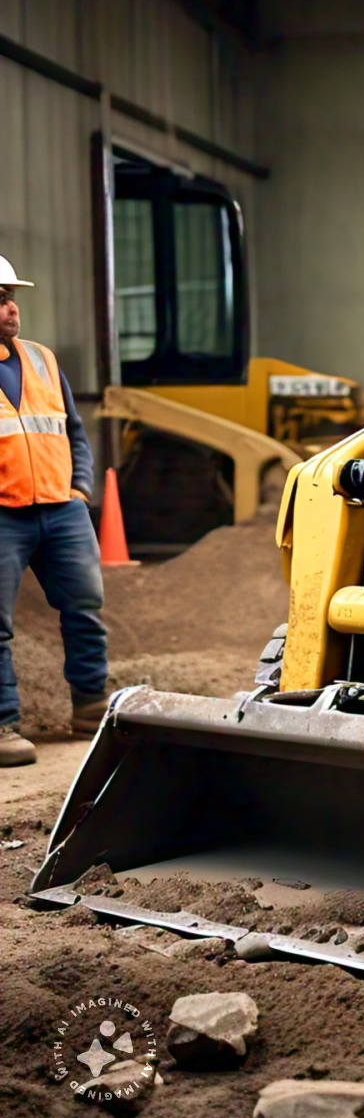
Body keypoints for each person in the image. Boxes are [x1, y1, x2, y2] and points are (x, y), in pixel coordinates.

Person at [0, 256, 108, 765]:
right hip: (4, 515)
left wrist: (80, 490)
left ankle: (90, 708)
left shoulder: (42, 359)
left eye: (10, 297)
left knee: (84, 609)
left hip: (62, 509)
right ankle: (2, 726)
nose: (11, 308)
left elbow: (75, 432)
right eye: (0, 300)